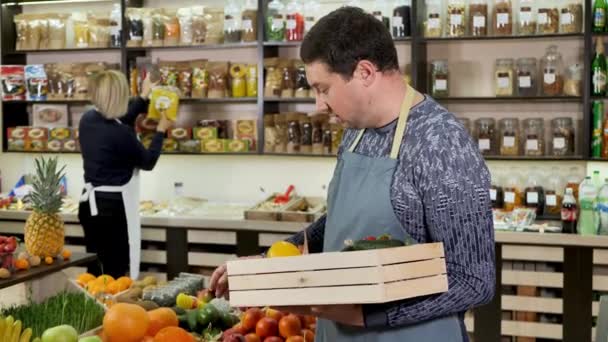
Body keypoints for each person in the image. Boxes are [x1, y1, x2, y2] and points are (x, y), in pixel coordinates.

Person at [210, 7, 495, 341]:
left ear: (364, 72)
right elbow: (341, 224)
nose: (318, 104)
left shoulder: (441, 144)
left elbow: (474, 280)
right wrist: (267, 264)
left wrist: (369, 315)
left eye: (323, 88)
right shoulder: (355, 132)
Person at [78, 70, 172, 279]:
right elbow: (148, 162)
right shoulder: (121, 133)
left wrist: (143, 96)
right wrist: (160, 131)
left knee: (96, 267)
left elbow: (121, 119)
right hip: (111, 210)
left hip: (89, 206)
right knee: (114, 271)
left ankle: (92, 307)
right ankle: (110, 310)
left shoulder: (88, 119)